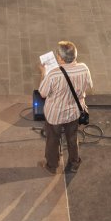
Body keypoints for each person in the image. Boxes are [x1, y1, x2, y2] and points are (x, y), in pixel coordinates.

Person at [37, 41, 93, 174]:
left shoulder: (53, 74)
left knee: (52, 140)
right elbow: (89, 85)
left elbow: (43, 93)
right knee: (72, 138)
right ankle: (74, 163)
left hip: (55, 115)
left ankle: (52, 165)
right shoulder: (84, 68)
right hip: (74, 112)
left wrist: (43, 73)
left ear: (60, 58)